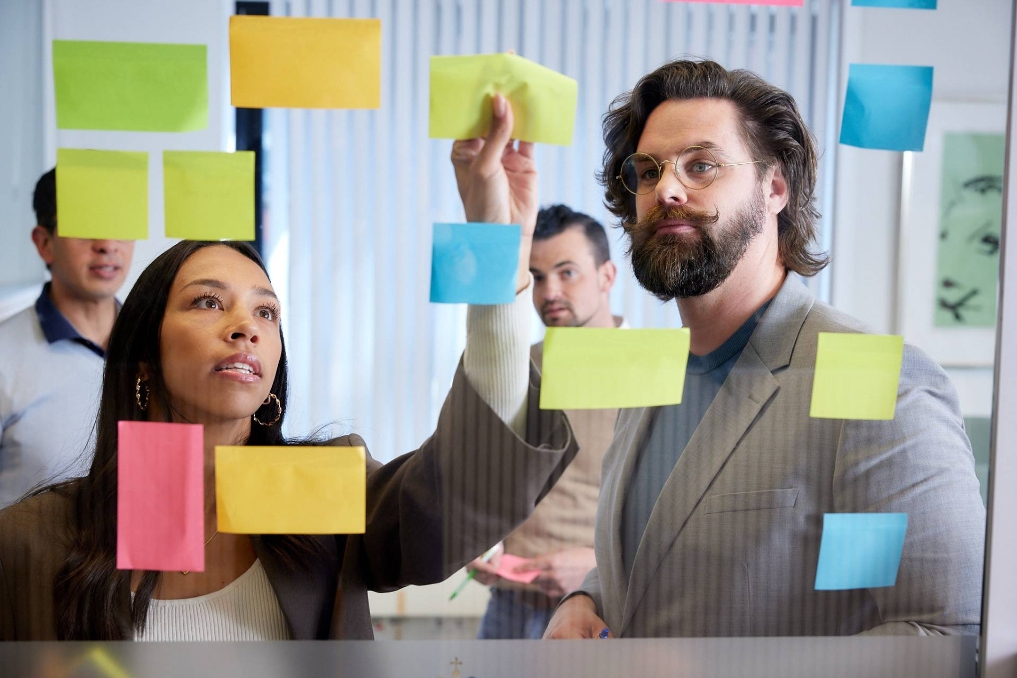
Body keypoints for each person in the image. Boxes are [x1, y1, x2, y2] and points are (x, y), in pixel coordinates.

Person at [0, 96, 578, 641]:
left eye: (267, 311)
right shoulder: (33, 541)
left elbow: (461, 493)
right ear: (143, 358)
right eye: (207, 301)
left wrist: (499, 257)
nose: (246, 326)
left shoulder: (316, 491)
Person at [543, 59, 986, 639]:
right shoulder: (654, 374)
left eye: (701, 165)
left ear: (775, 187)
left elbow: (943, 636)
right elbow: (661, 553)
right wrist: (585, 598)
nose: (667, 188)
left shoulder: (875, 377)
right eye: (648, 172)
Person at [470, 204, 623, 639]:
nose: (549, 290)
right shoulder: (515, 367)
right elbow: (485, 481)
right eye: (536, 277)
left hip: (600, 607)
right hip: (510, 606)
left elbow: (675, 513)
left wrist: (596, 566)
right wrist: (478, 542)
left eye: (567, 272)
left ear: (607, 276)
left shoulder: (656, 371)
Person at [0, 168, 134, 507]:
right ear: (45, 243)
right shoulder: (5, 353)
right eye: (85, 225)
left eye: (120, 224)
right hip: (26, 559)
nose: (107, 245)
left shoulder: (158, 345)